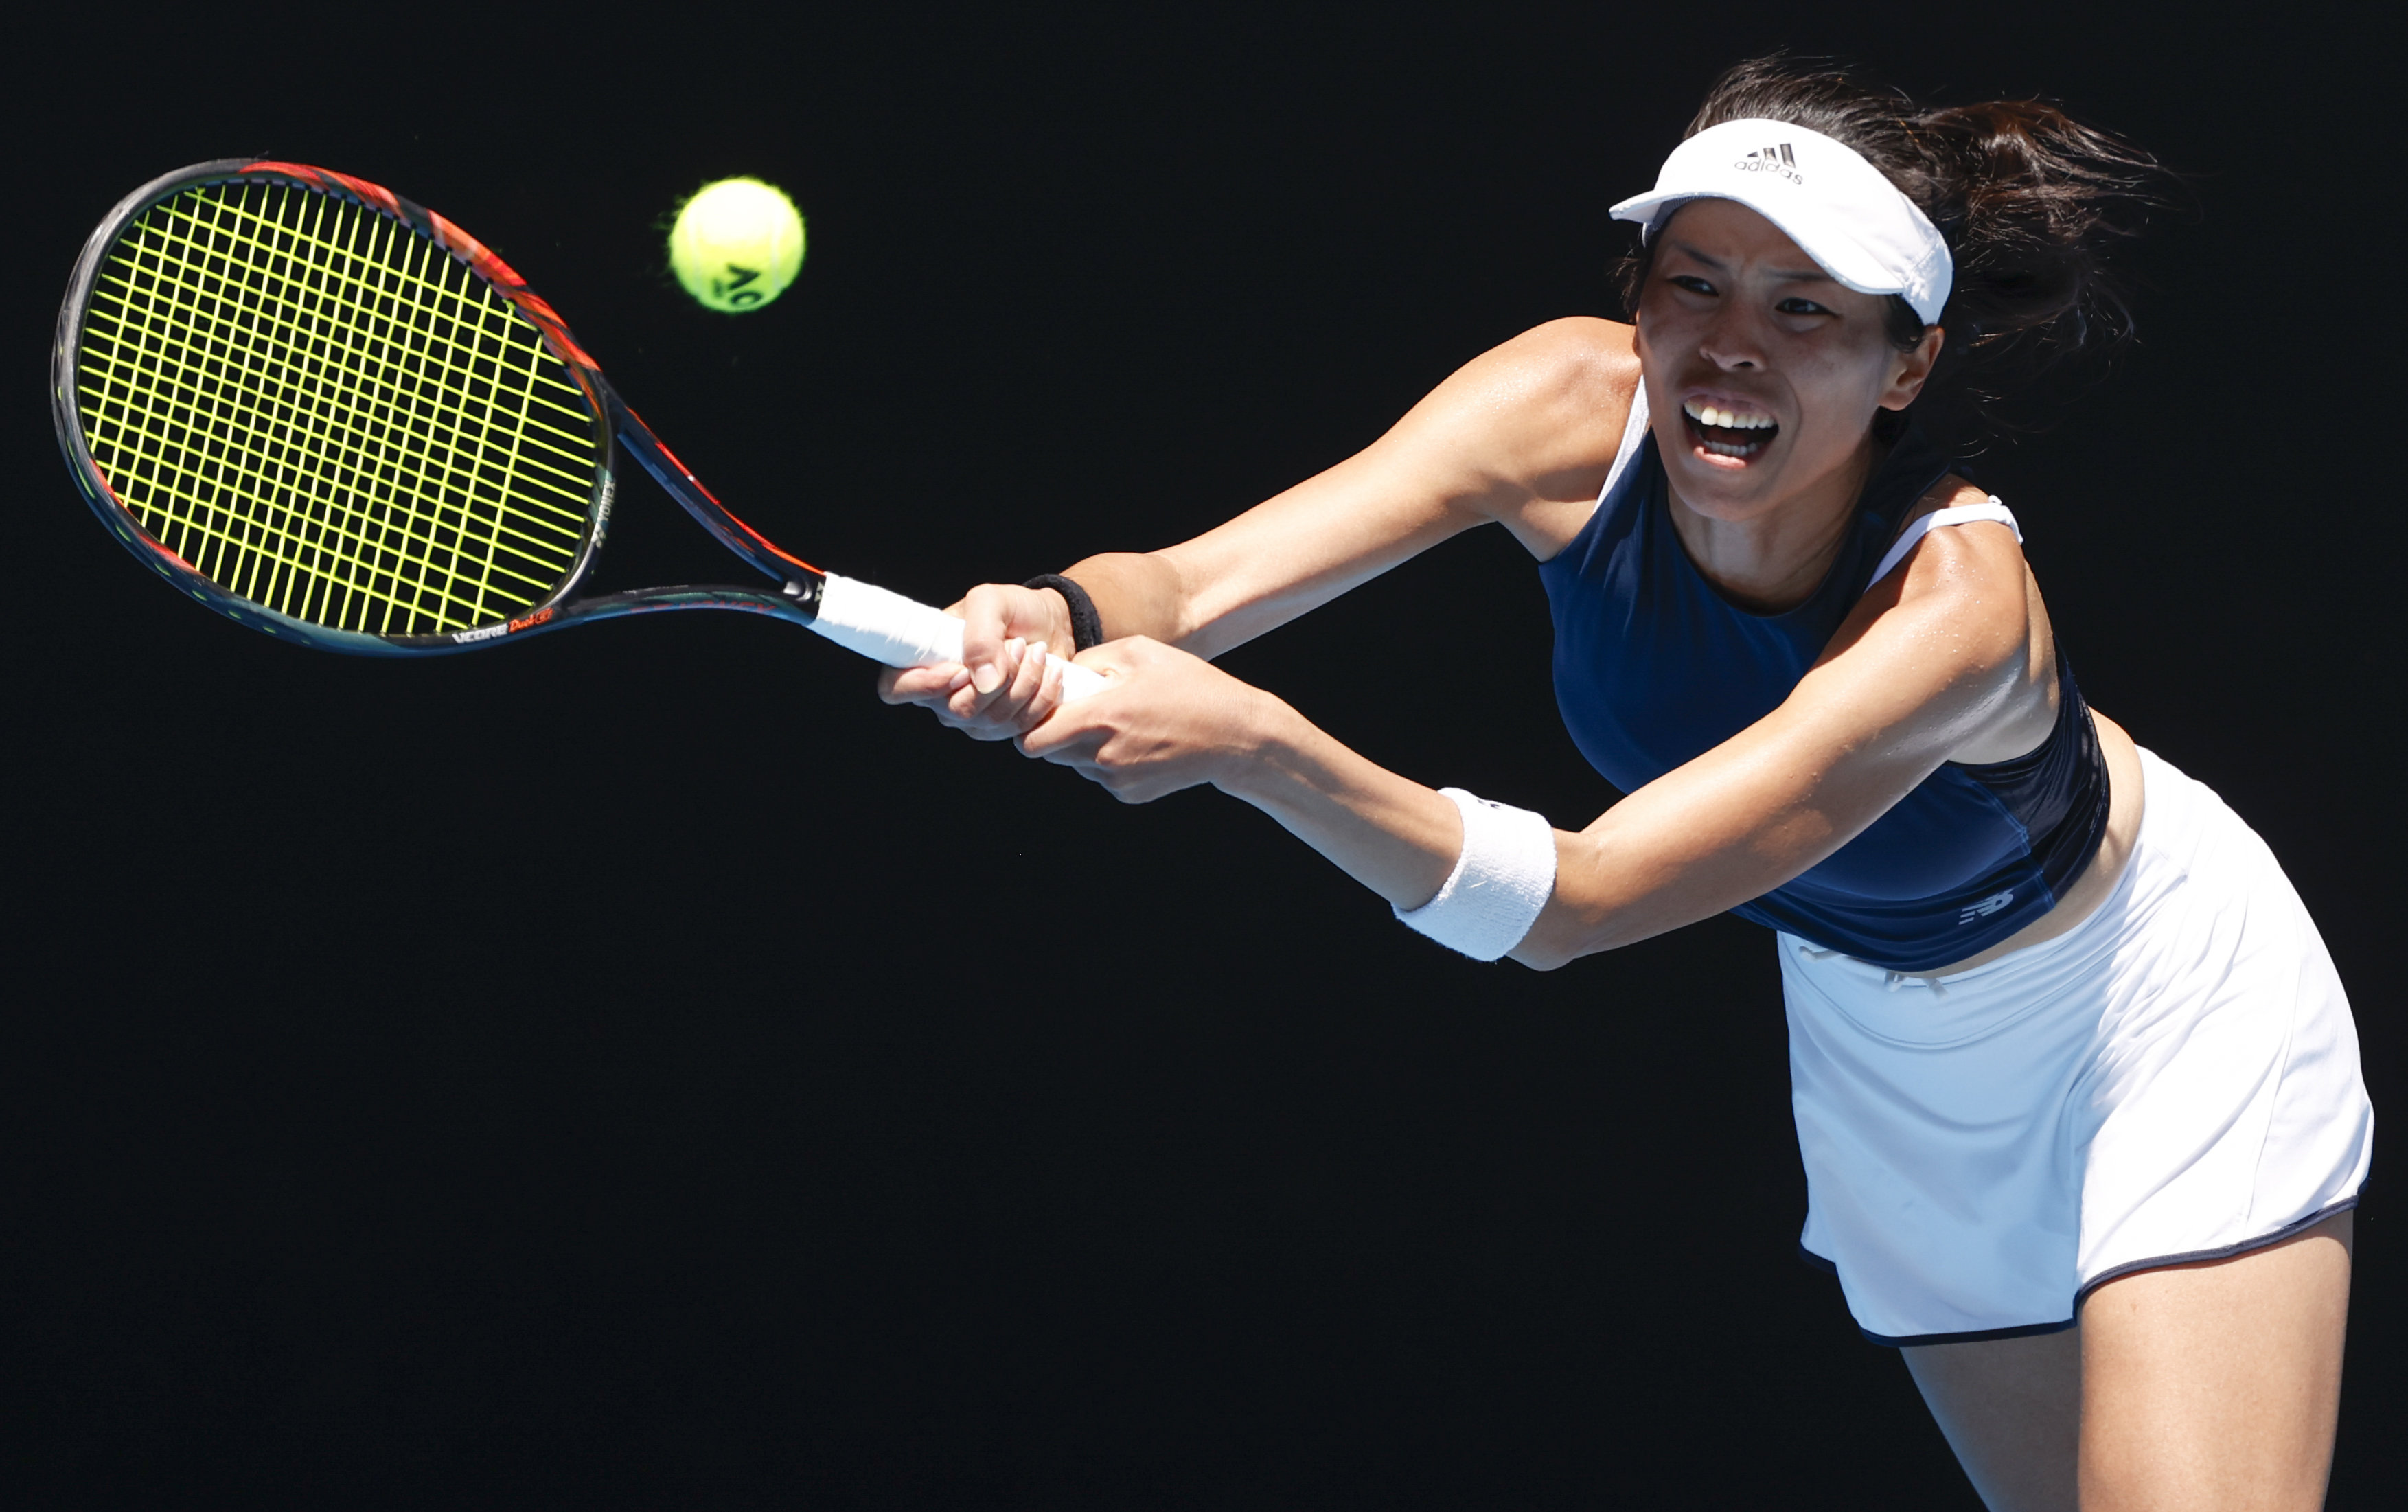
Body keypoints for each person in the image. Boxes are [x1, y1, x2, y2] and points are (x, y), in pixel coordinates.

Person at [879, 58, 2371, 1511]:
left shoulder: (1957, 619)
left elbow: (1574, 906)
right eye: (1693, 284)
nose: (1731, 345)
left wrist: (1255, 748)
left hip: (2152, 1010)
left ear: (1905, 359)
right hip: (1883, 1054)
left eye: (1803, 309)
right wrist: (1059, 610)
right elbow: (1192, 586)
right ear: (1637, 298)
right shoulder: (1558, 405)